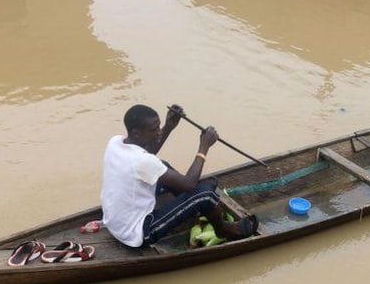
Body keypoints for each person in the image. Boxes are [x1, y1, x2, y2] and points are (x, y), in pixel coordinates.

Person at [101, 104, 257, 248]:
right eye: (154, 129)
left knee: (163, 166)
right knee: (206, 195)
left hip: (114, 223)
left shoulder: (115, 142)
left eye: (159, 126)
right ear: (136, 133)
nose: (159, 131)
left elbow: (149, 156)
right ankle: (224, 230)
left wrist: (169, 126)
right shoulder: (142, 161)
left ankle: (192, 207)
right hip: (135, 233)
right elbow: (188, 184)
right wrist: (204, 146)